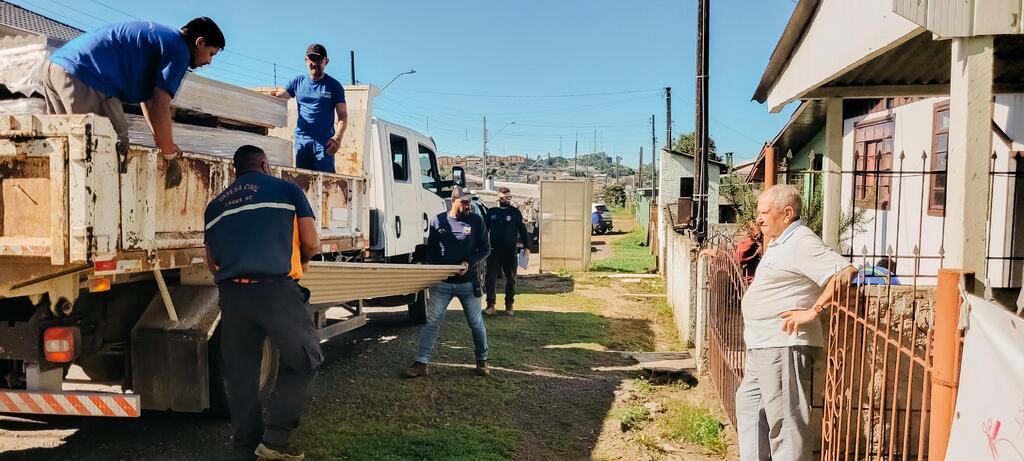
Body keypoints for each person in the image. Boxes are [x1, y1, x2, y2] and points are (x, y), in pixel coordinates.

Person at [204, 145, 323, 461]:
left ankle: (245, 447)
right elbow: (310, 242)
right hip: (275, 291)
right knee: (306, 358)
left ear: (235, 170)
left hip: (233, 296)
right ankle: (275, 439)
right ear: (264, 164)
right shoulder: (286, 190)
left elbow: (212, 262)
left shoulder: (215, 206)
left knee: (241, 376)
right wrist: (303, 257)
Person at [736, 185, 856, 461]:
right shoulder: (781, 242)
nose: (759, 218)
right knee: (749, 405)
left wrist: (813, 310)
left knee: (786, 425)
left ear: (787, 213)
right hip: (764, 344)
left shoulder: (802, 240)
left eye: (765, 212)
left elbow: (844, 271)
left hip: (784, 345)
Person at [44, 18, 225, 159]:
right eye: (211, 54)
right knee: (109, 143)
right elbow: (162, 104)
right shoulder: (179, 50)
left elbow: (149, 102)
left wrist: (162, 143)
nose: (209, 61)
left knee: (66, 145)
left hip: (55, 66)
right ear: (199, 42)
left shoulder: (163, 38)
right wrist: (169, 153)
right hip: (86, 74)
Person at [403, 186, 491, 378]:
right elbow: (432, 251)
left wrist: (470, 262)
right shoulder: (438, 220)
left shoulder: (476, 221)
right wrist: (433, 271)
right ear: (454, 201)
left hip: (468, 283)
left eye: (469, 201)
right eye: (464, 202)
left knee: (475, 322)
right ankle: (421, 363)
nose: (468, 205)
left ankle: (481, 361)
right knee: (433, 321)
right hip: (442, 283)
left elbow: (485, 248)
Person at [273, 44, 347, 173]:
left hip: (325, 143)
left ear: (326, 61)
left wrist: (338, 137)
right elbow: (279, 97)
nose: (314, 63)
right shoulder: (297, 82)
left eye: (318, 60)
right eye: (311, 59)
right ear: (306, 60)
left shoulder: (334, 86)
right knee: (302, 180)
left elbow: (342, 114)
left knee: (325, 182)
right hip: (302, 140)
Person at [484, 187, 530, 316]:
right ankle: (490, 305)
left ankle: (509, 305)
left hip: (510, 251)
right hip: (493, 251)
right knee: (490, 278)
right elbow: (484, 231)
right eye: (505, 197)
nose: (508, 200)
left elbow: (523, 230)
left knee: (511, 279)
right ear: (498, 197)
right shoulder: (491, 212)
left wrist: (527, 247)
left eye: (509, 197)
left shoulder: (515, 212)